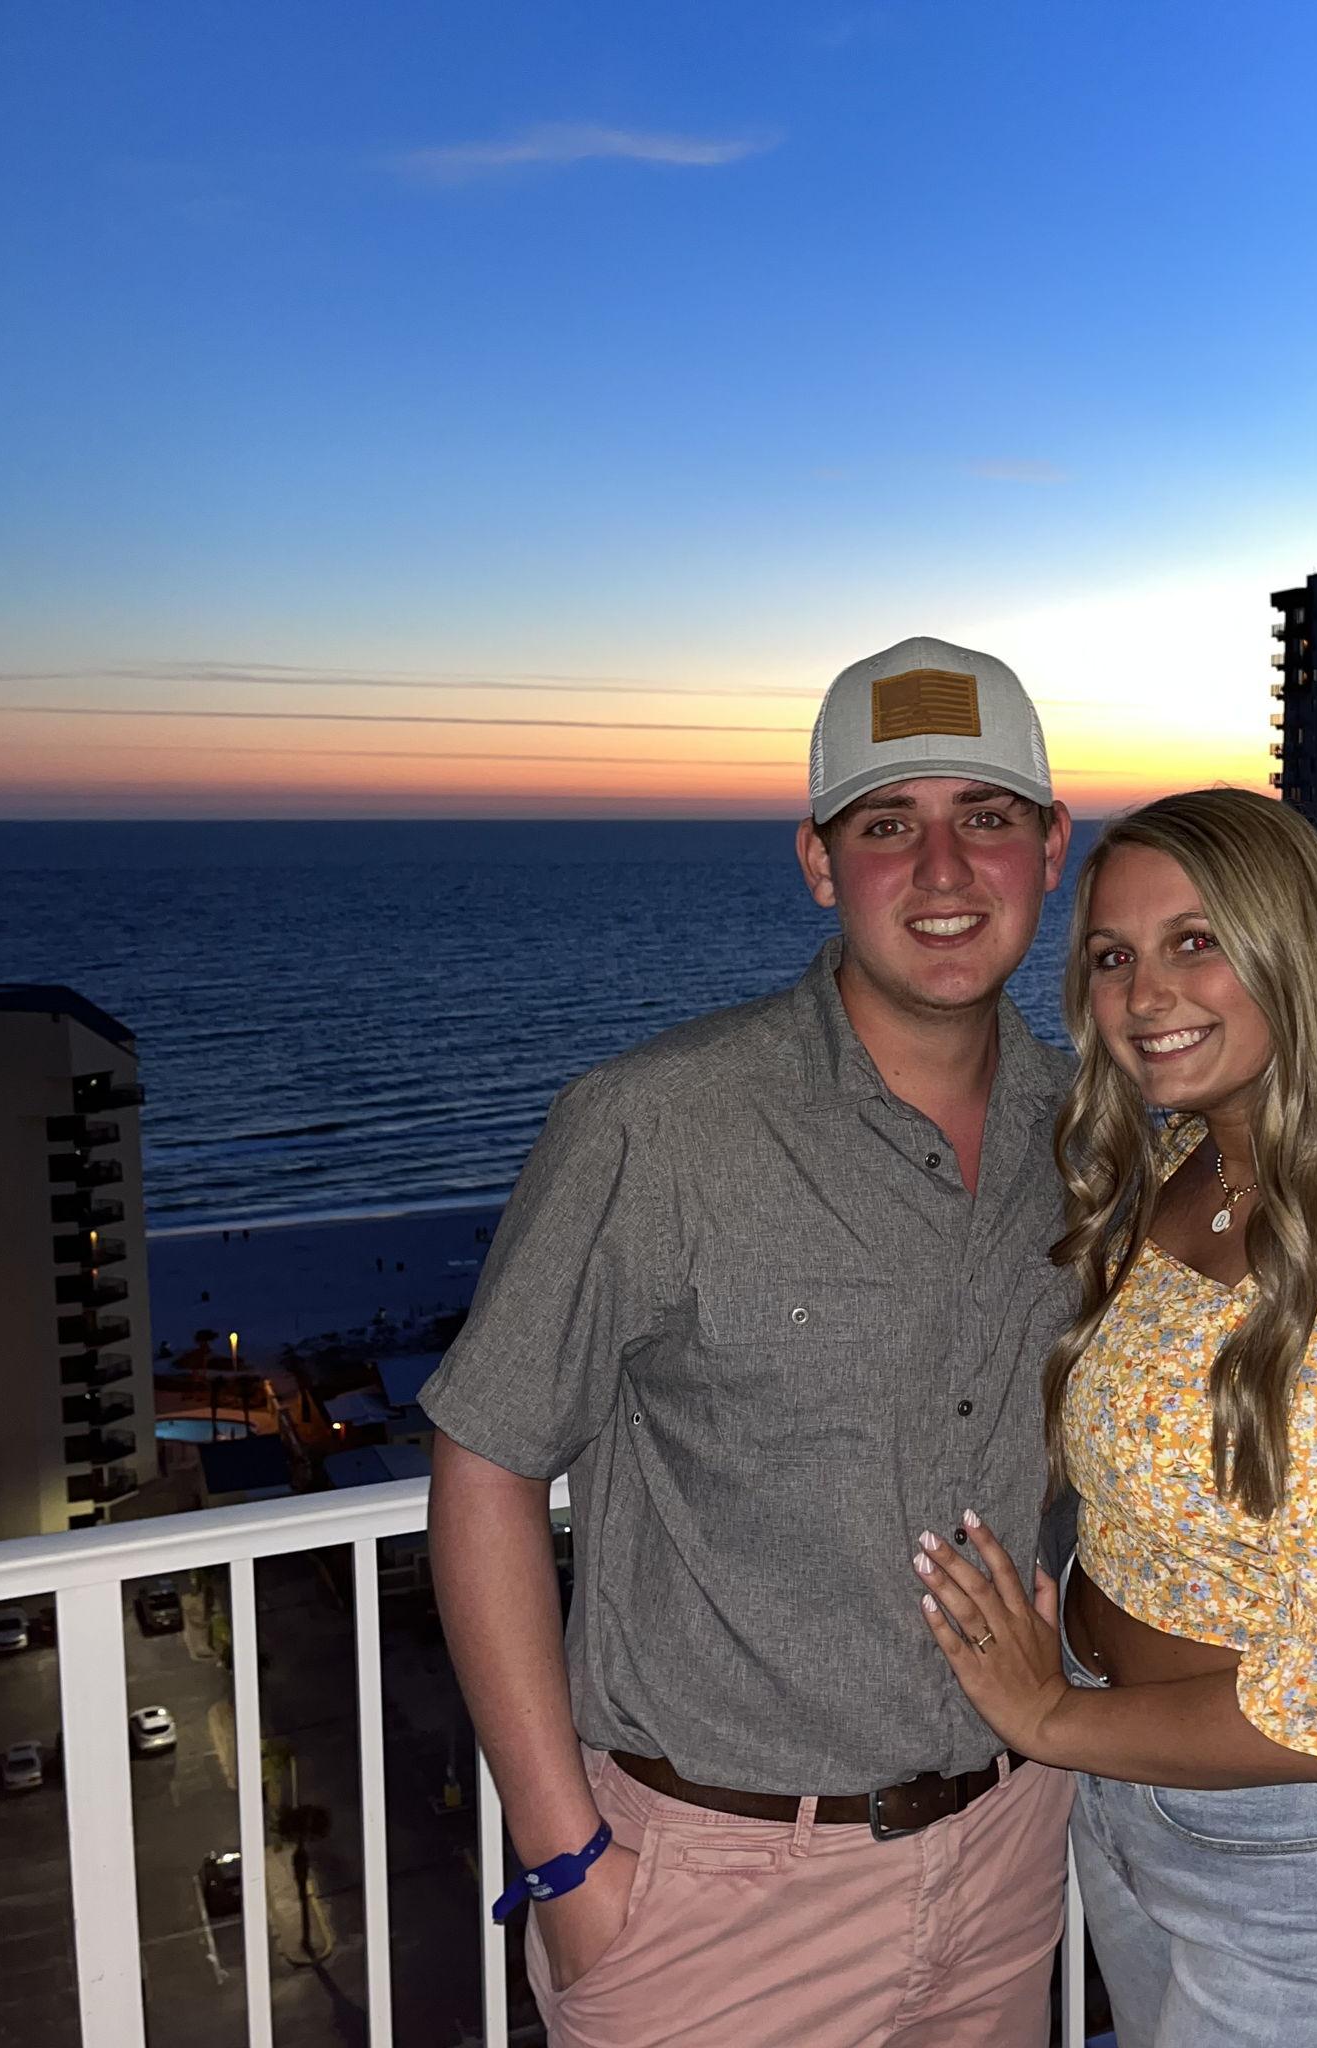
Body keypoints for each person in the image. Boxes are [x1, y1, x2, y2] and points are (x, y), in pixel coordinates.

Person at [420, 635, 1080, 2047]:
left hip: (1010, 1851)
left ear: (1050, 848)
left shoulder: (1088, 1139)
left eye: (986, 816)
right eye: (886, 825)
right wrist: (566, 1862)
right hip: (718, 1904)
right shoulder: (655, 1125)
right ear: (818, 862)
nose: (944, 868)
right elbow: (483, 1464)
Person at [913, 787, 1317, 2048]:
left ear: (1294, 953)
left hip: (1285, 1848)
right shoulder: (1181, 1169)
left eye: (1194, 941)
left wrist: (1046, 1715)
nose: (1145, 993)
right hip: (1125, 1786)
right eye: (1112, 956)